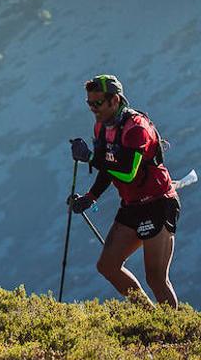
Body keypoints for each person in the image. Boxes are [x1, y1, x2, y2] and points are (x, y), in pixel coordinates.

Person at [68, 74, 180, 308]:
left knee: (156, 278)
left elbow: (127, 171)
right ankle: (149, 320)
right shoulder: (101, 127)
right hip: (132, 205)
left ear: (115, 100)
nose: (93, 109)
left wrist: (90, 157)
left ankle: (176, 333)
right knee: (107, 266)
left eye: (98, 103)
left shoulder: (136, 128)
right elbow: (108, 166)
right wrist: (90, 197)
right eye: (89, 103)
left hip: (158, 203)